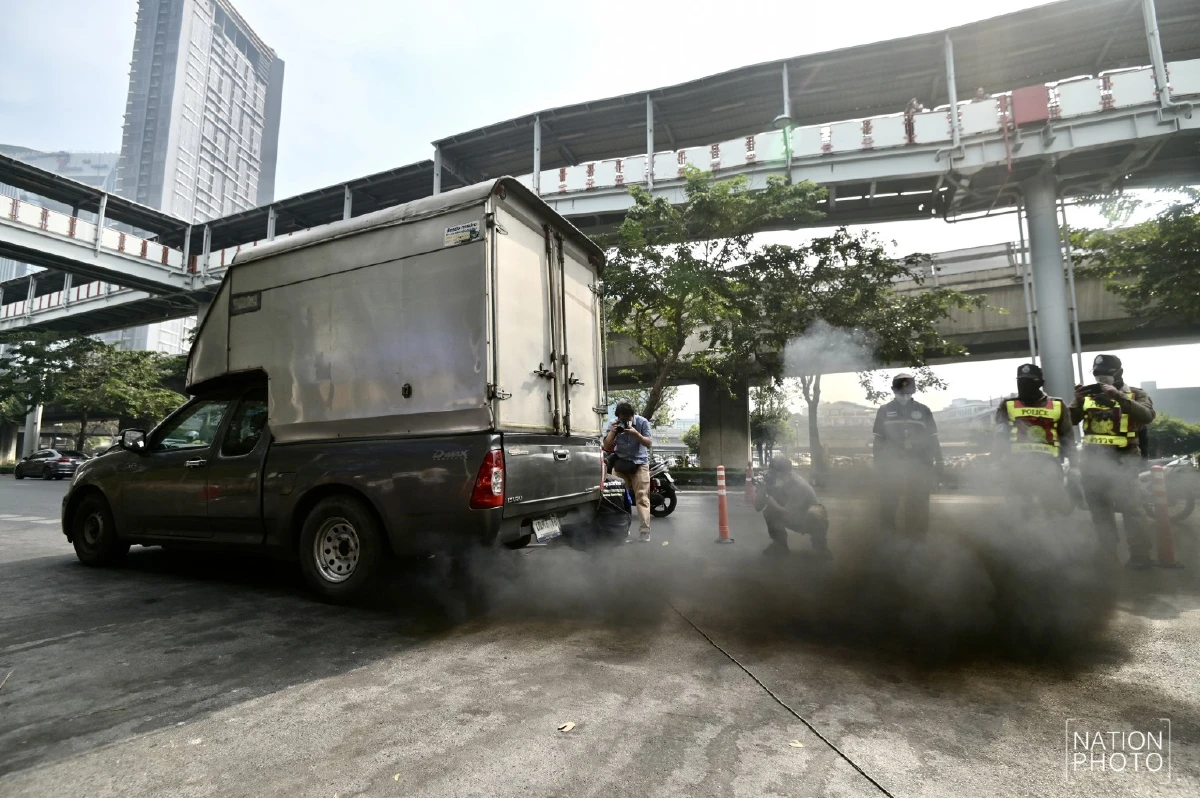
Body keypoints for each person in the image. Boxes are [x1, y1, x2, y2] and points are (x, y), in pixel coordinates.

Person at [1070, 354, 1156, 568]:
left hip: (1124, 461)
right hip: (1092, 463)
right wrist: (1077, 402)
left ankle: (1140, 556)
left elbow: (1147, 416)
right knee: (1099, 511)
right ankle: (1107, 553)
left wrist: (1119, 396)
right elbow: (1069, 420)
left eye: (1106, 374)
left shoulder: (1135, 393)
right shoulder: (1089, 395)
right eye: (1097, 374)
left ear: (1119, 373)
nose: (1101, 378)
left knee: (1131, 508)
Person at [993, 363, 1074, 517]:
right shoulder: (1007, 405)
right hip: (1016, 466)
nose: (1024, 385)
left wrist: (1074, 465)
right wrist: (996, 460)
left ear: (1040, 383)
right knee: (1020, 511)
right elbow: (1000, 434)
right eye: (1021, 381)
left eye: (1029, 381)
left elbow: (1067, 436)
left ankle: (1056, 529)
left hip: (1049, 465)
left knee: (1052, 509)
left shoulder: (1057, 405)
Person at [873, 372, 944, 537]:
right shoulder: (884, 411)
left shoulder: (924, 410)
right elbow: (878, 441)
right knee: (889, 502)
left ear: (914, 391)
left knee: (918, 503)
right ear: (893, 390)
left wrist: (939, 461)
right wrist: (878, 464)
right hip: (892, 466)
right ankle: (888, 537)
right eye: (901, 393)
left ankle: (917, 537)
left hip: (919, 465)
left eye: (908, 393)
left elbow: (933, 439)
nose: (905, 397)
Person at [755, 456, 830, 558]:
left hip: (807, 518)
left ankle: (821, 545)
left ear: (786, 474)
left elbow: (787, 511)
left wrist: (768, 498)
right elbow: (758, 508)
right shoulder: (771, 483)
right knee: (769, 512)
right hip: (791, 515)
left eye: (775, 473)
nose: (772, 476)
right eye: (771, 472)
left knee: (815, 512)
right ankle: (779, 545)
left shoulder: (799, 485)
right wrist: (761, 492)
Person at [602, 402, 654, 542]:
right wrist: (613, 432)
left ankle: (644, 531)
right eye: (621, 419)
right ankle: (622, 532)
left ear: (632, 415)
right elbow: (606, 446)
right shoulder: (613, 424)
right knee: (617, 498)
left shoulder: (642, 422)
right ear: (618, 417)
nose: (624, 422)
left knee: (642, 497)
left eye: (627, 419)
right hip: (621, 464)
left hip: (640, 463)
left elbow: (649, 443)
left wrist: (636, 434)